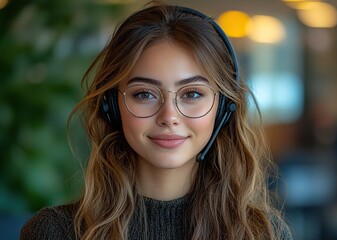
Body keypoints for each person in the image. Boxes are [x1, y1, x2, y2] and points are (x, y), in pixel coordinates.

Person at [20, 1, 293, 239]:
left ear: (222, 109)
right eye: (144, 94)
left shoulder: (262, 234)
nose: (169, 117)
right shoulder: (53, 233)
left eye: (193, 93)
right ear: (112, 107)